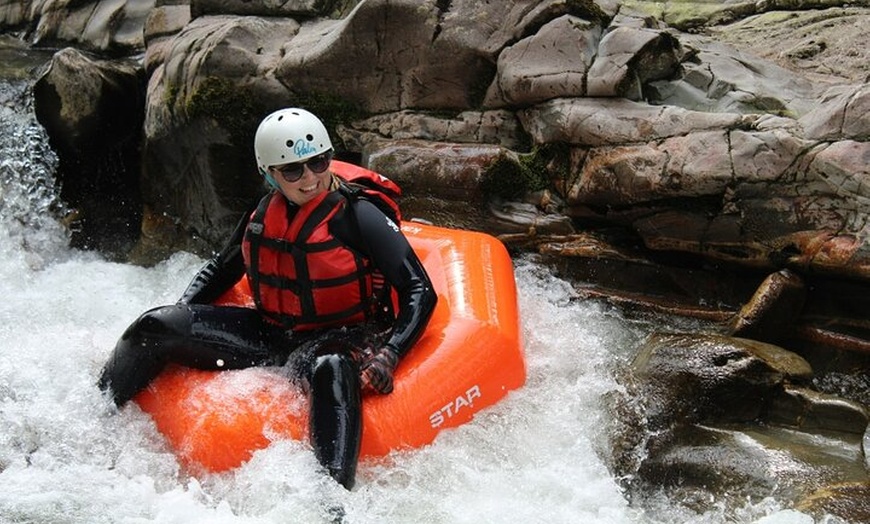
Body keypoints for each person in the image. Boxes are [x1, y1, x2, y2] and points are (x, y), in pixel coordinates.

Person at [98, 107, 438, 489]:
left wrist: (390, 354)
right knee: (153, 325)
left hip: (340, 335)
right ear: (269, 174)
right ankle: (96, 417)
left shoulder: (359, 216)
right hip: (270, 333)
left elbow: (420, 291)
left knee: (331, 366)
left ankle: (333, 502)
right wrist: (181, 315)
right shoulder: (262, 212)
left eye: (318, 162)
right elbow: (221, 269)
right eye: (293, 170)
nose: (310, 178)